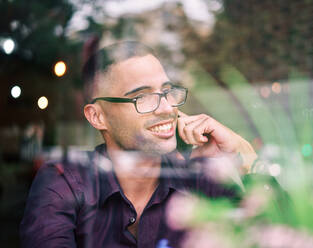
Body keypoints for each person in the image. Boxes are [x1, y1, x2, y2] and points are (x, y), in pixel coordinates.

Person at [20, 41, 257, 248]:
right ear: (97, 117)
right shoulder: (65, 181)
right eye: (142, 97)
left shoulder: (195, 177)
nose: (166, 108)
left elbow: (278, 233)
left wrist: (243, 157)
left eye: (167, 92)